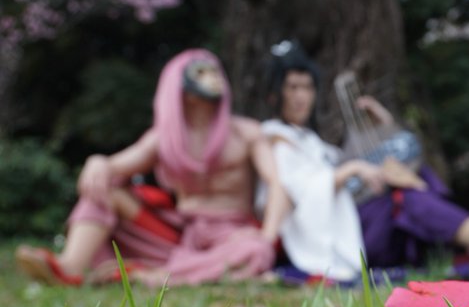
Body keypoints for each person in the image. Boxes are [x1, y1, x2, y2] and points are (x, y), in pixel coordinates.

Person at [261, 41, 469, 282]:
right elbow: (292, 190)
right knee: (405, 198)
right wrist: (353, 170)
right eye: (292, 87)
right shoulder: (274, 138)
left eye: (307, 87)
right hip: (337, 238)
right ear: (276, 94)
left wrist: (383, 125)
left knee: (410, 178)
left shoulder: (315, 144)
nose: (301, 96)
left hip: (357, 224)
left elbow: (362, 167)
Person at [16, 48, 288, 287]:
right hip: (177, 238)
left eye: (215, 71)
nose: (213, 77)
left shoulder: (246, 133)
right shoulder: (163, 139)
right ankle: (69, 267)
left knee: (254, 250)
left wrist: (266, 236)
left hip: (230, 236)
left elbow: (277, 185)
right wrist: (98, 162)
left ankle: (158, 276)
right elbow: (114, 166)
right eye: (201, 72)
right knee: (104, 188)